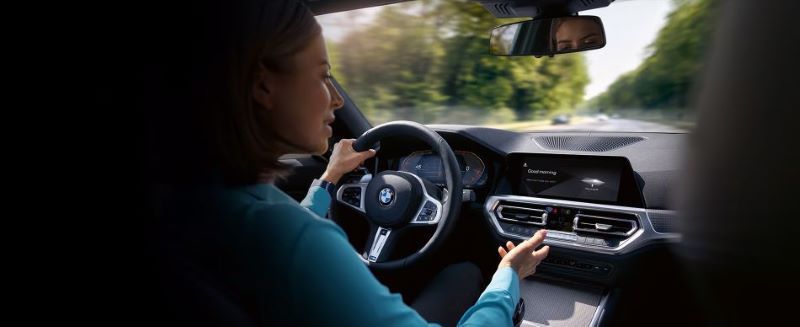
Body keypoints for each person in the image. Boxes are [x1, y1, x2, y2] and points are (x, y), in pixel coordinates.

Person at [149, 1, 550, 326]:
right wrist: (508, 280)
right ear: (262, 85)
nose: (337, 100)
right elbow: (291, 238)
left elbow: (280, 226)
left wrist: (328, 178)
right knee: (464, 272)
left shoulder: (190, 200)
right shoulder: (293, 240)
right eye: (324, 76)